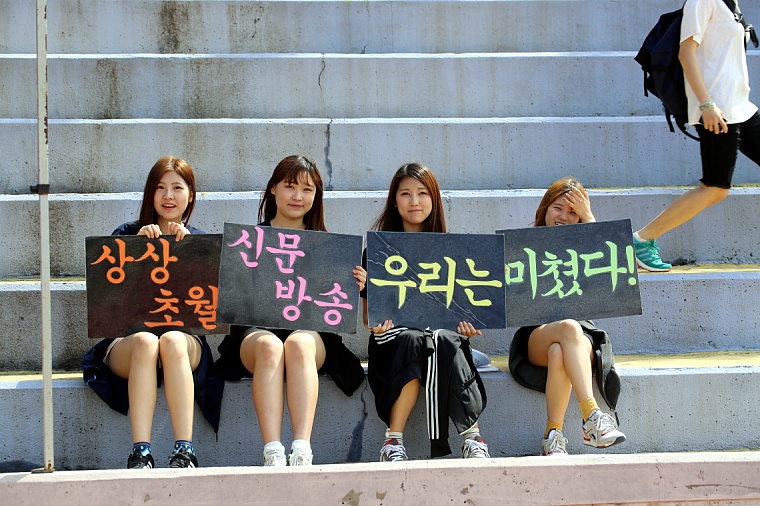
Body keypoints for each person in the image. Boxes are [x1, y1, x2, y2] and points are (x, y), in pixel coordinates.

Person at [214, 155, 365, 467]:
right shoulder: (247, 243)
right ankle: (272, 451)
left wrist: (359, 286)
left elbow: (333, 308)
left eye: (307, 190)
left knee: (298, 343)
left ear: (316, 196)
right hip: (254, 337)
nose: (298, 196)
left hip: (311, 338)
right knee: (270, 345)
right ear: (273, 189)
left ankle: (302, 450)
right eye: (290, 186)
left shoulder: (328, 246)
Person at [83, 156, 224, 469]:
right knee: (147, 341)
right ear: (150, 194)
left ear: (191, 195)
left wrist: (192, 255)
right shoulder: (127, 234)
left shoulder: (201, 241)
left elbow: (209, 310)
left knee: (172, 339)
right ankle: (141, 453)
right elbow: (110, 305)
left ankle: (184, 451)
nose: (168, 195)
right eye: (160, 188)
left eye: (177, 187)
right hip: (131, 341)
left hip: (184, 341)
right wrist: (136, 251)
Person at [361, 162, 490, 462]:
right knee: (411, 340)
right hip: (395, 340)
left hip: (440, 337)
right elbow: (370, 319)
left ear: (434, 199)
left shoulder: (452, 251)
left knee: (446, 339)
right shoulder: (378, 251)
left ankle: (472, 439)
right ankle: (393, 443)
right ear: (395, 200)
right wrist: (375, 323)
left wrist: (467, 326)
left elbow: (462, 310)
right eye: (405, 193)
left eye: (422, 193)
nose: (414, 201)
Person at [633, 0, 760, 272]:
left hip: (742, 107)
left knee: (715, 189)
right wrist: (706, 105)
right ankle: (641, 240)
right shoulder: (702, 1)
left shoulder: (730, 3)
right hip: (716, 111)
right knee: (714, 188)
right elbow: (686, 53)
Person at [508, 177, 625, 456]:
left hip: (581, 337)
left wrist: (590, 218)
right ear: (545, 209)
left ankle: (553, 436)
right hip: (538, 333)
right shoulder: (523, 247)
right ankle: (592, 417)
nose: (563, 216)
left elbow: (618, 270)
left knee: (561, 348)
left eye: (573, 212)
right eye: (558, 208)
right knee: (566, 330)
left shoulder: (588, 248)